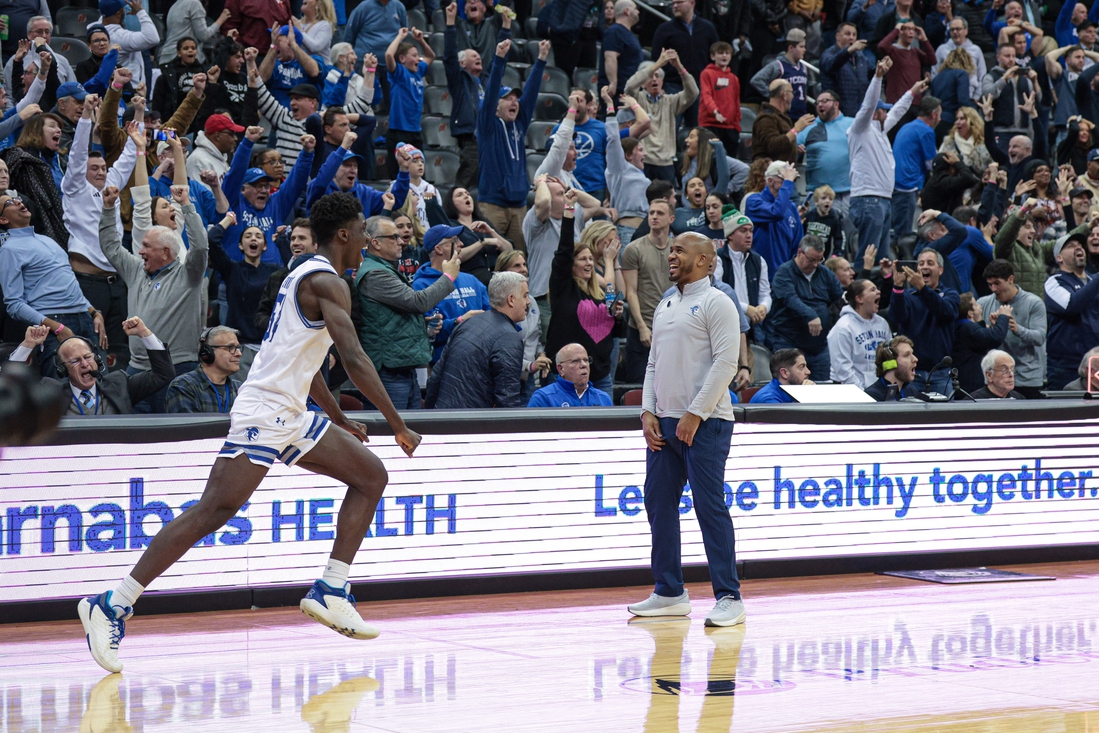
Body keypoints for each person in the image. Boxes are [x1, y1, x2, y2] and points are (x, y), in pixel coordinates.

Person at [77, 191, 423, 674]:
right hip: (266, 410)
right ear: (345, 234)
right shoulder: (327, 281)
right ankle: (112, 603)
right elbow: (353, 358)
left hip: (290, 408)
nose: (367, 239)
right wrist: (397, 423)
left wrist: (339, 418)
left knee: (370, 476)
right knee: (214, 509)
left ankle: (331, 588)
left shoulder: (306, 273)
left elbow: (301, 360)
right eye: (365, 231)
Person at [629, 231, 743, 627]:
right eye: (671, 249)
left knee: (709, 506)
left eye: (679, 250)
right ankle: (669, 591)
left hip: (706, 423)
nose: (671, 255)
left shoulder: (718, 303)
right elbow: (653, 363)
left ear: (704, 260)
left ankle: (730, 595)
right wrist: (647, 411)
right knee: (658, 504)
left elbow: (726, 364)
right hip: (665, 422)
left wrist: (695, 413)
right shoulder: (665, 303)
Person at [99, 181, 208, 413]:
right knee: (134, 434)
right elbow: (111, 247)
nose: (140, 251)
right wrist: (109, 209)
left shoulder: (189, 275)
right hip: (136, 369)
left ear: (166, 252)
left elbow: (200, 248)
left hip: (177, 368)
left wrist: (187, 206)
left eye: (147, 247)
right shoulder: (136, 269)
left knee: (173, 434)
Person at [61, 102, 139, 368]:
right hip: (88, 281)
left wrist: (138, 114)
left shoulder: (111, 185)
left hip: (116, 281)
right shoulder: (74, 188)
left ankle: (117, 399)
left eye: (103, 168)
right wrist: (84, 117)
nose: (100, 172)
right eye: (94, 169)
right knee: (88, 347)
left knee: (120, 348)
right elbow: (77, 154)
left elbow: (129, 156)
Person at [356, 216, 463, 409]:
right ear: (375, 243)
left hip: (401, 366)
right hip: (388, 371)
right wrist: (448, 277)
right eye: (393, 237)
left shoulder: (385, 269)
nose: (400, 242)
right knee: (389, 434)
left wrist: (420, 323)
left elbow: (388, 316)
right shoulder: (375, 274)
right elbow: (418, 302)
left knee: (411, 429)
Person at [0, 193, 105, 375]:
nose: (18, 201)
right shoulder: (9, 249)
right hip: (54, 322)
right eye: (9, 202)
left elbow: (68, 283)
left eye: (17, 199)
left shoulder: (48, 239)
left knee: (104, 384)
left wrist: (94, 312)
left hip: (85, 318)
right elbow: (14, 304)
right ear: (3, 219)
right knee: (61, 390)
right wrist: (57, 328)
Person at [546, 190, 625, 395]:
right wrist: (569, 210)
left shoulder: (601, 293)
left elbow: (615, 329)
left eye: (591, 259)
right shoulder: (564, 287)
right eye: (583, 259)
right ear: (571, 265)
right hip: (566, 377)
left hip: (600, 376)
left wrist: (617, 316)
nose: (589, 263)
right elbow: (563, 250)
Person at [7, 318, 173, 414]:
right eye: (75, 361)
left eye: (88, 357)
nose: (85, 364)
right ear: (62, 369)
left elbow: (163, 374)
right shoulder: (51, 393)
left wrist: (144, 333)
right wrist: (28, 345)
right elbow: (9, 384)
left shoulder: (120, 384)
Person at [477, 38, 548, 253]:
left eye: (516, 98)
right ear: (496, 106)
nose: (514, 102)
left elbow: (532, 93)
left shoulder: (519, 124)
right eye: (508, 98)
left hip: (519, 206)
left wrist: (541, 60)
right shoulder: (488, 125)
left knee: (519, 257)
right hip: (493, 204)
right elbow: (489, 95)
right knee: (492, 256)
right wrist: (499, 59)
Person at [424, 270, 528, 409]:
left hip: (443, 414)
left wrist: (432, 415)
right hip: (472, 423)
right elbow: (508, 399)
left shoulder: (468, 323)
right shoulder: (509, 337)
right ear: (511, 299)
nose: (528, 302)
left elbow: (436, 377)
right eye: (525, 296)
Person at [849, 57, 914, 262]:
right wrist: (878, 77)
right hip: (869, 199)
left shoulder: (880, 130)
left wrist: (913, 91)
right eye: (883, 109)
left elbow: (898, 110)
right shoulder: (859, 129)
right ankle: (859, 291)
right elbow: (868, 104)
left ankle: (878, 294)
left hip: (882, 200)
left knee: (882, 259)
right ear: (876, 114)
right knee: (867, 257)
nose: (887, 112)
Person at [412, 224, 490, 364]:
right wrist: (458, 322)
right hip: (445, 363)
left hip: (479, 360)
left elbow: (490, 312)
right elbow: (425, 332)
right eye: (454, 241)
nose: (461, 244)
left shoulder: (471, 280)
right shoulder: (420, 285)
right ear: (439, 249)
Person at [770, 235, 845, 379]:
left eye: (819, 260)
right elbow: (790, 298)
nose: (816, 264)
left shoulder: (824, 273)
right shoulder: (784, 272)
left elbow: (839, 298)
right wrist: (811, 315)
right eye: (811, 260)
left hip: (820, 347)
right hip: (789, 344)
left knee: (822, 391)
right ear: (799, 253)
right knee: (791, 389)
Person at [890, 248, 961, 395]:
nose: (924, 267)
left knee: (945, 417)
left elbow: (945, 313)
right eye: (921, 263)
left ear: (940, 270)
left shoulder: (950, 294)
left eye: (930, 263)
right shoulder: (908, 296)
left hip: (941, 374)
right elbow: (896, 317)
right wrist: (897, 287)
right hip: (912, 373)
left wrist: (922, 287)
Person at [975, 258, 1046, 397]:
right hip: (995, 381)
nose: (993, 289)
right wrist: (990, 329)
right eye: (990, 284)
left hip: (1027, 379)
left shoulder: (1034, 303)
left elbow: (1040, 337)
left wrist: (1017, 329)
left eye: (997, 283)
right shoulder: (983, 303)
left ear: (1011, 279)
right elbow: (977, 340)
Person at [622, 198, 675, 382]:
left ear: (671, 219)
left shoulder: (678, 249)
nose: (654, 217)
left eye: (660, 213)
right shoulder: (634, 249)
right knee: (638, 387)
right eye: (651, 213)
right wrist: (642, 327)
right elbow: (631, 292)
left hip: (671, 328)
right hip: (641, 330)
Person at [624, 51, 699, 182]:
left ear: (662, 81)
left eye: (657, 76)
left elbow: (693, 92)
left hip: (665, 163)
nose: (654, 79)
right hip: (642, 160)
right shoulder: (636, 98)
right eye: (650, 76)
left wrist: (679, 66)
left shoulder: (671, 101)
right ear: (642, 82)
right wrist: (658, 63)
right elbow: (630, 86)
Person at [444, 2, 493, 189]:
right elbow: (449, 57)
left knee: (485, 185)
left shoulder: (485, 81)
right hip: (471, 139)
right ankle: (453, 214)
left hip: (487, 138)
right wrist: (450, 23)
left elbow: (499, 63)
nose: (478, 56)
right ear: (463, 63)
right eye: (473, 56)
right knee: (466, 182)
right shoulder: (459, 79)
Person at [494, 250, 551, 401]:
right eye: (517, 265)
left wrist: (541, 354)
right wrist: (529, 365)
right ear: (503, 271)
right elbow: (502, 348)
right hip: (506, 376)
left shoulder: (531, 302)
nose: (523, 269)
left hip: (529, 377)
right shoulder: (499, 304)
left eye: (524, 264)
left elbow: (536, 336)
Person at [1045, 231, 1099, 390]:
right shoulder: (1054, 282)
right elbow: (1071, 305)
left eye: (1080, 245)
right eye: (1070, 246)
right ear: (1059, 258)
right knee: (1064, 413)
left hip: (1095, 363)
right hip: (1066, 366)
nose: (1078, 248)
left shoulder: (1093, 280)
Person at [383, 27, 433, 179]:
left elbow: (430, 56)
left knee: (419, 175)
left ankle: (424, 202)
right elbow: (388, 55)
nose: (419, 59)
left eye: (418, 56)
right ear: (402, 59)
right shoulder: (399, 73)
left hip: (415, 132)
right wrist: (400, 36)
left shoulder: (418, 71)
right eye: (414, 55)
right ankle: (399, 203)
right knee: (398, 176)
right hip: (398, 132)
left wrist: (421, 40)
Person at [649, 0, 718, 110]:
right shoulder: (664, 29)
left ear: (692, 3)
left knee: (696, 126)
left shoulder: (708, 28)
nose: (675, 6)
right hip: (672, 85)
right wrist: (659, 85)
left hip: (699, 85)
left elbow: (715, 58)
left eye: (679, 2)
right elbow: (655, 60)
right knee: (670, 125)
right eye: (673, 3)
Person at [892, 95, 942, 245]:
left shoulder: (907, 126)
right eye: (939, 115)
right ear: (934, 114)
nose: (940, 119)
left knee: (898, 230)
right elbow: (932, 164)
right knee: (904, 234)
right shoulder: (926, 131)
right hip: (907, 185)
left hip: (896, 183)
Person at [796, 90, 854, 214]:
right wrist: (795, 149)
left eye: (825, 101)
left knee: (850, 232)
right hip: (819, 194)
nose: (820, 105)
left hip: (849, 191)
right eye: (818, 103)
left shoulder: (852, 124)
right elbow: (790, 150)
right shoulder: (808, 127)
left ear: (836, 104)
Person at [828, 278, 893, 388]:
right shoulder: (843, 328)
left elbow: (890, 356)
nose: (878, 292)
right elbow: (843, 368)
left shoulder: (882, 323)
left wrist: (888, 383)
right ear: (859, 298)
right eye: (872, 290)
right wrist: (862, 391)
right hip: (850, 389)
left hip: (878, 387)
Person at [717, 206, 771, 335]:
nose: (749, 235)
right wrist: (747, 309)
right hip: (724, 327)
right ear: (730, 235)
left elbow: (765, 294)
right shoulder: (718, 259)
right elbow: (717, 294)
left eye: (751, 231)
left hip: (752, 328)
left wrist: (763, 307)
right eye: (743, 231)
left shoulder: (758, 260)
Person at [744, 160, 803, 279]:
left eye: (791, 181)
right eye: (784, 181)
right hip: (758, 275)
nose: (790, 186)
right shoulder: (753, 201)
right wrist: (788, 183)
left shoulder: (791, 207)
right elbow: (777, 212)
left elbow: (797, 244)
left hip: (784, 277)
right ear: (770, 181)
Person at [165, 327, 242, 413]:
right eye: (230, 347)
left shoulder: (241, 389)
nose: (239, 353)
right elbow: (190, 426)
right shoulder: (183, 386)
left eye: (238, 347)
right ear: (207, 352)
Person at [981, 42, 1037, 154]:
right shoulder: (991, 76)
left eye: (1013, 56)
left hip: (1023, 131)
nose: (1011, 59)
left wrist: (1034, 81)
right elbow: (988, 95)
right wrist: (1005, 78)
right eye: (1007, 56)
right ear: (998, 57)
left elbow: (1037, 100)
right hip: (1001, 131)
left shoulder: (1023, 78)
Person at [992, 197, 1055, 296]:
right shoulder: (1006, 249)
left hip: (1038, 308)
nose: (1033, 231)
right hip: (1015, 308)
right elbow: (1004, 236)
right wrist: (1024, 209)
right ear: (1016, 230)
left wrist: (1087, 226)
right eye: (1027, 227)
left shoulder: (1037, 248)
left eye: (1033, 227)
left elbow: (1062, 243)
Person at [953, 291, 1012, 392]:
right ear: (970, 313)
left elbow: (982, 342)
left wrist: (986, 324)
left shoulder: (965, 327)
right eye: (976, 304)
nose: (980, 306)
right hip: (970, 384)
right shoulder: (967, 328)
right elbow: (995, 338)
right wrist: (1003, 317)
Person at [97, 0, 160, 88]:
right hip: (130, 90)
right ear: (118, 13)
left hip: (115, 87)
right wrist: (140, 12)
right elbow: (153, 38)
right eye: (123, 9)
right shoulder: (119, 37)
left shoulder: (96, 29)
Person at [527, 343, 614, 407]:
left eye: (586, 360)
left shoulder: (603, 398)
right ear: (561, 369)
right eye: (575, 361)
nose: (584, 365)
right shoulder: (543, 398)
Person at [751, 79, 815, 164]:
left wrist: (792, 148)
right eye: (792, 92)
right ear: (785, 95)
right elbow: (772, 146)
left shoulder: (780, 116)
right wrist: (796, 129)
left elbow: (780, 145)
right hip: (770, 175)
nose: (793, 96)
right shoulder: (766, 118)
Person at [751, 30, 810, 119]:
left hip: (801, 114)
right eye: (801, 47)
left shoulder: (803, 67)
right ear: (791, 48)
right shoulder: (778, 65)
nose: (804, 50)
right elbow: (756, 80)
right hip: (784, 115)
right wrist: (774, 95)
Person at [821, 23, 874, 117]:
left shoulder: (860, 56)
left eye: (854, 35)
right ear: (838, 36)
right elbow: (832, 65)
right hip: (839, 114)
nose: (851, 38)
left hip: (859, 112)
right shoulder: (829, 54)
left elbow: (871, 74)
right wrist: (848, 51)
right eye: (848, 34)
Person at [877, 21, 936, 103]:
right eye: (907, 29)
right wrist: (896, 30)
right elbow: (881, 46)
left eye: (913, 29)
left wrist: (924, 40)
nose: (911, 32)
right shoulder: (893, 50)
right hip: (897, 101)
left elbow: (932, 60)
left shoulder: (915, 52)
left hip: (915, 102)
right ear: (900, 32)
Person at [698, 41, 741, 153]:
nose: (724, 56)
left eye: (727, 53)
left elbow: (736, 101)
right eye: (720, 53)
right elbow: (706, 95)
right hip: (710, 124)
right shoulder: (706, 73)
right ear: (712, 56)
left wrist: (736, 124)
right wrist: (715, 112)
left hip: (730, 127)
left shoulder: (734, 78)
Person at [161, 0, 230, 65]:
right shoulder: (194, 3)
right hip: (181, 59)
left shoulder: (175, 5)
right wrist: (221, 19)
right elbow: (204, 35)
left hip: (166, 57)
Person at [933, 17, 987, 99]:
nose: (955, 32)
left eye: (958, 29)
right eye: (952, 29)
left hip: (971, 97)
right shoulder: (941, 50)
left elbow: (982, 76)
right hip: (946, 98)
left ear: (966, 31)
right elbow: (934, 74)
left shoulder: (976, 50)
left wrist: (976, 97)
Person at [152, 37, 205, 118]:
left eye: (193, 48)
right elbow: (157, 103)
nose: (190, 50)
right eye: (186, 48)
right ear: (179, 53)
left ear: (196, 52)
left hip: (197, 118)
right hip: (174, 118)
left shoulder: (203, 72)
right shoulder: (167, 74)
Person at [601, 0, 642, 98]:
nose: (638, 12)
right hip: (619, 92)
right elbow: (610, 57)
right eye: (635, 9)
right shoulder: (615, 32)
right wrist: (613, 83)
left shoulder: (629, 33)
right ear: (627, 11)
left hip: (629, 90)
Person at [187, 114, 245, 182]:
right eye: (231, 134)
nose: (235, 138)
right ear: (217, 136)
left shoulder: (219, 156)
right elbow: (201, 192)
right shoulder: (199, 161)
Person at [865, 335, 921, 400]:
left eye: (912, 354)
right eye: (906, 355)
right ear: (891, 363)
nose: (915, 359)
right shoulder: (872, 396)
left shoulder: (911, 391)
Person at [750, 348, 814, 403]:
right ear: (784, 373)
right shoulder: (768, 399)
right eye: (801, 367)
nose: (808, 372)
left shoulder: (792, 392)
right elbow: (789, 417)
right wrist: (802, 398)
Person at [223, 0, 290, 52]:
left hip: (276, 56)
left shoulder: (284, 1)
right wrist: (241, 52)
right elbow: (229, 28)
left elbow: (288, 25)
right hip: (245, 56)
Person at [804, 186, 847, 258]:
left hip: (823, 256)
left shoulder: (834, 218)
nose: (827, 201)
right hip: (806, 253)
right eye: (823, 198)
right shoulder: (809, 216)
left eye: (830, 199)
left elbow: (840, 238)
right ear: (816, 202)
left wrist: (836, 253)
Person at [299, 0, 337, 65]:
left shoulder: (324, 25)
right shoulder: (299, 23)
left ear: (318, 4)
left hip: (320, 70)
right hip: (299, 69)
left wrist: (300, 31)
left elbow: (315, 47)